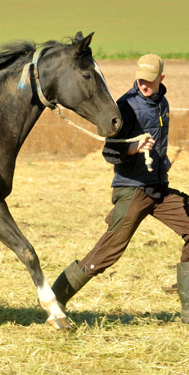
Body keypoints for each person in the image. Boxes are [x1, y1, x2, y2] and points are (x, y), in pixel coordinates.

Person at [51, 53, 189, 324]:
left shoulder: (163, 104)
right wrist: (134, 148)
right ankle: (54, 297)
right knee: (107, 252)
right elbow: (110, 153)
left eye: (150, 80)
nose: (144, 85)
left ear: (161, 78)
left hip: (158, 189)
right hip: (132, 190)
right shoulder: (126, 106)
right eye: (140, 79)